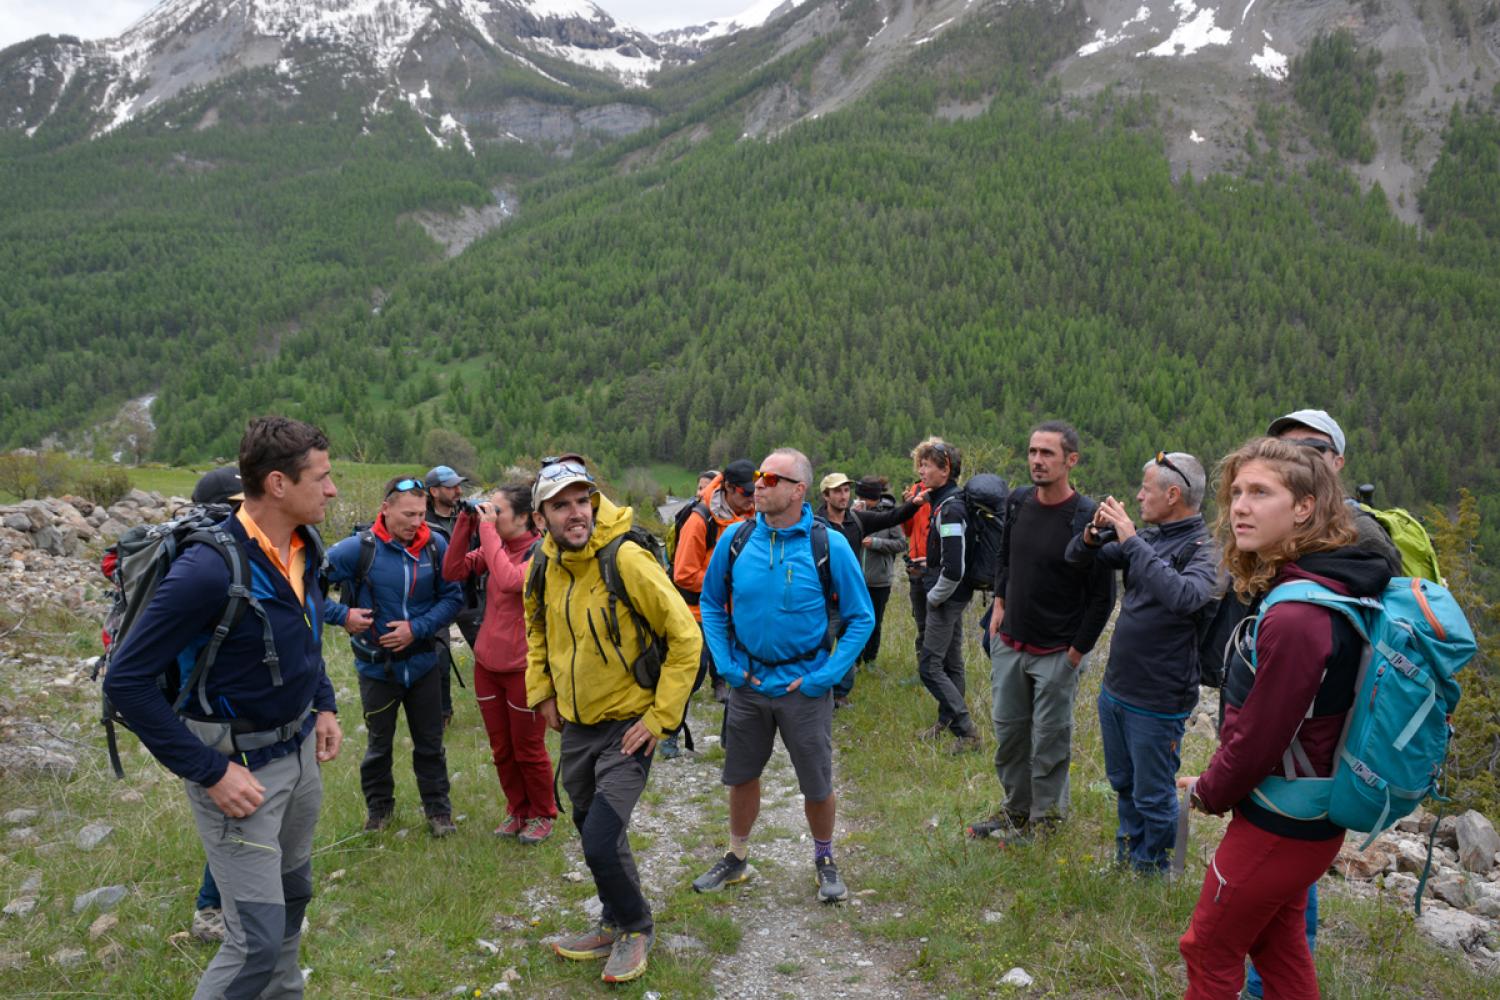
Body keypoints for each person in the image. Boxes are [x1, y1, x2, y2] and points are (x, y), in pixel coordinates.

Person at [103, 416, 343, 1000]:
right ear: (279, 484)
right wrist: (209, 772)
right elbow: (125, 681)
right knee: (254, 941)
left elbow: (301, 636)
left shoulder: (302, 545)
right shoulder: (208, 568)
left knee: (291, 905)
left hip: (300, 755)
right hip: (240, 773)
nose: (333, 490)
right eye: (323, 477)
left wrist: (325, 704)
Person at [1177, 437, 1391, 999]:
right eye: (1237, 492)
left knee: (1207, 947)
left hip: (1280, 821)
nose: (1240, 507)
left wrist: (1209, 790)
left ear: (1303, 507)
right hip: (1308, 814)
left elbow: (1261, 739)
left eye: (1260, 493)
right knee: (1278, 944)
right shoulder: (1325, 586)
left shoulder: (1297, 614)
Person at [1234, 408, 1401, 998]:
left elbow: (1320, 657)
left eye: (1307, 449)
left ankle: (1263, 987)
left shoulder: (1352, 542)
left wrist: (1219, 781)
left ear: (1335, 463)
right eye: (1279, 448)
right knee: (1285, 898)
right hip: (1290, 761)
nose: (1292, 458)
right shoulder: (1298, 548)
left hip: (1307, 764)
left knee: (1229, 930)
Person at [525, 456, 701, 984]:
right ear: (541, 518)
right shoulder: (544, 564)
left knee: (600, 837)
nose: (576, 513)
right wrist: (543, 693)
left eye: (583, 501)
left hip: (629, 724)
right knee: (587, 824)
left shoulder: (624, 559)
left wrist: (660, 718)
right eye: (562, 505)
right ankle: (612, 918)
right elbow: (535, 626)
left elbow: (686, 639)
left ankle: (636, 926)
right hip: (577, 726)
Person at [691, 448, 875, 903]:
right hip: (749, 686)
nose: (759, 484)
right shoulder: (736, 540)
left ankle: (825, 859)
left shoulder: (827, 544)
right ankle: (736, 858)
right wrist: (728, 666)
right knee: (741, 775)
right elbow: (712, 604)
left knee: (816, 782)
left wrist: (825, 677)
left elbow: (861, 618)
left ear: (798, 490)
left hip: (805, 688)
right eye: (758, 476)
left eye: (772, 479)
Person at [1063, 451, 1219, 872]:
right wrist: (1095, 533)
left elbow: (1185, 597)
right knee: (1124, 784)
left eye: (1145, 490)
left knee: (1153, 792)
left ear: (1173, 494)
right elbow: (1077, 559)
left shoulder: (1205, 549)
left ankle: (1153, 871)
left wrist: (1130, 540)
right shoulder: (1149, 539)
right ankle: (1126, 859)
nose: (1138, 496)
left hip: (1159, 696)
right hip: (1117, 688)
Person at [977, 422, 1116, 842]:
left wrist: (1076, 652)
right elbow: (1005, 555)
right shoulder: (1018, 501)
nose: (1037, 460)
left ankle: (1047, 822)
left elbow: (1101, 597)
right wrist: (999, 601)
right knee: (1010, 735)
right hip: (1011, 643)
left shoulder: (1086, 518)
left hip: (1057, 651)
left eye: (1047, 454)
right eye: (1033, 451)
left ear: (1070, 460)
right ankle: (1016, 811)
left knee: (1051, 741)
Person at [324, 477, 463, 836]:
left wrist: (416, 628)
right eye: (407, 514)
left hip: (423, 664)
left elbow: (453, 598)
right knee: (378, 747)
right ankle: (379, 813)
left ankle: (439, 813)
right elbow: (302, 587)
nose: (416, 522)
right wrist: (344, 616)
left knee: (431, 744)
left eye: (420, 513)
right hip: (376, 668)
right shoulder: (357, 550)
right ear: (385, 509)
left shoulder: (436, 545)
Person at [443, 483, 557, 844]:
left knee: (527, 748)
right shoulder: (497, 547)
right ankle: (517, 809)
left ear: (524, 517)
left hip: (524, 669)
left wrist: (486, 531)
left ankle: (542, 812)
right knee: (501, 747)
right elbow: (452, 569)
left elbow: (509, 581)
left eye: (498, 511)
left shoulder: (542, 554)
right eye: (487, 509)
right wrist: (464, 524)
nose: (489, 516)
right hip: (488, 666)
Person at [670, 459, 757, 717]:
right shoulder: (700, 520)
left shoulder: (751, 517)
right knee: (694, 673)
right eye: (746, 493)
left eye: (755, 491)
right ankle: (670, 730)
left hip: (737, 609)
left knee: (740, 672)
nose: (752, 498)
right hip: (699, 612)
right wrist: (726, 580)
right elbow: (683, 574)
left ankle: (734, 735)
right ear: (728, 488)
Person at [912, 439, 984, 752]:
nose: (921, 470)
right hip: (953, 595)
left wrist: (935, 597)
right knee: (952, 662)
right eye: (921, 464)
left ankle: (967, 731)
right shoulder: (945, 502)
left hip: (947, 597)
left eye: (928, 465)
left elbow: (954, 568)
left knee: (930, 666)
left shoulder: (951, 509)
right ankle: (948, 722)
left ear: (946, 470)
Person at [424, 464, 471, 726]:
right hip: (439, 597)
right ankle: (443, 713)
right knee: (439, 656)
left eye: (458, 485)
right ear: (433, 491)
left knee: (492, 651)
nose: (458, 490)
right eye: (451, 486)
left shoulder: (468, 513)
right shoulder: (420, 520)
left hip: (470, 597)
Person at [853, 476, 906, 669]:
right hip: (856, 579)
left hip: (880, 580)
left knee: (874, 622)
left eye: (861, 496)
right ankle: (854, 660)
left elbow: (901, 544)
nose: (858, 499)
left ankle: (870, 661)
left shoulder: (888, 516)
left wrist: (876, 543)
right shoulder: (853, 514)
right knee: (854, 622)